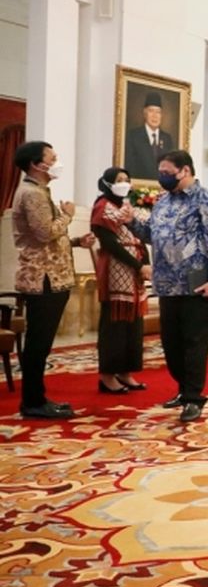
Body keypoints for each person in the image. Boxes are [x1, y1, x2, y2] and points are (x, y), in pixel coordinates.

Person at [136, 150, 208, 423]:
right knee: (171, 343)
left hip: (197, 282)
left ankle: (193, 397)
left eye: (167, 172)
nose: (162, 176)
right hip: (166, 283)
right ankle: (183, 388)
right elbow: (150, 234)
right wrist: (130, 221)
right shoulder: (163, 201)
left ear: (185, 170)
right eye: (160, 171)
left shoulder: (207, 200)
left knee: (194, 343)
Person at [11, 141, 96, 419]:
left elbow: (46, 238)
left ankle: (37, 398)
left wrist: (75, 241)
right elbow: (46, 233)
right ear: (37, 164)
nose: (57, 161)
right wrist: (69, 216)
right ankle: (33, 403)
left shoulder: (39, 191)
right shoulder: (32, 194)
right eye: (52, 157)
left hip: (50, 274)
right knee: (39, 343)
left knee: (42, 343)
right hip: (42, 278)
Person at [90, 167, 149, 395]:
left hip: (134, 271)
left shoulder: (126, 208)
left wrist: (143, 261)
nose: (124, 183)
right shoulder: (102, 207)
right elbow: (110, 243)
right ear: (107, 183)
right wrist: (137, 265)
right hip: (117, 269)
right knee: (114, 323)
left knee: (133, 325)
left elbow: (138, 236)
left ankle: (126, 372)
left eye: (127, 179)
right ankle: (107, 376)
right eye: (119, 180)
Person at [124, 92, 175, 180]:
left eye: (158, 112)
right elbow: (130, 166)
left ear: (161, 115)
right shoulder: (133, 136)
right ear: (144, 113)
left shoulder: (167, 138)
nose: (154, 116)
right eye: (151, 111)